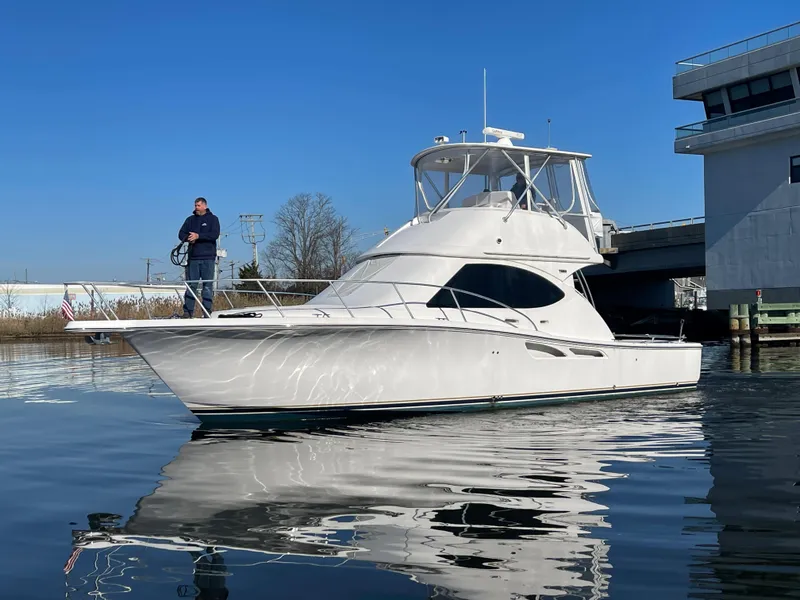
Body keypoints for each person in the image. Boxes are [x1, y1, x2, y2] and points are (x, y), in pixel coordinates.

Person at [178, 197, 220, 318]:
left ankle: (207, 312)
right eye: (195, 205)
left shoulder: (213, 219)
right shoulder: (190, 220)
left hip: (208, 257)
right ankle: (188, 312)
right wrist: (188, 238)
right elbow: (181, 234)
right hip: (193, 258)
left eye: (198, 206)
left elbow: (214, 235)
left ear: (205, 206)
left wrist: (199, 236)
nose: (196, 208)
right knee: (192, 285)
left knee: (207, 285)